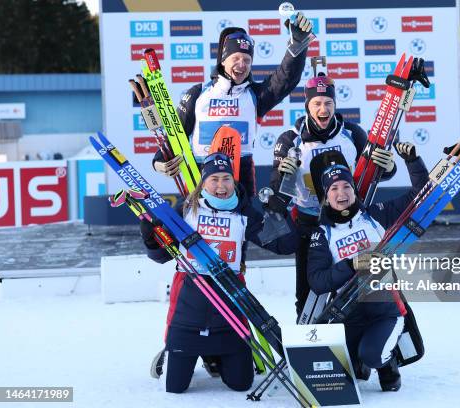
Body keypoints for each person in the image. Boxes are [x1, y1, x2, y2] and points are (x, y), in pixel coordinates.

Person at [140, 153, 299, 393]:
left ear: (234, 181)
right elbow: (162, 256)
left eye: (226, 178)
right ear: (203, 182)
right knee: (175, 387)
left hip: (230, 313)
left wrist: (279, 214)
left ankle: (213, 355)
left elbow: (285, 245)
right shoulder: (186, 210)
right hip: (188, 313)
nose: (221, 186)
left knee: (241, 384)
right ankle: (172, 351)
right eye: (214, 179)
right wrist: (149, 235)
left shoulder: (245, 215)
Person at [269, 72, 397, 317]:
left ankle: (362, 335)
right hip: (309, 223)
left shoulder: (352, 133)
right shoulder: (290, 140)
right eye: (316, 103)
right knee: (309, 293)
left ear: (335, 105)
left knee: (359, 286)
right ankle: (310, 342)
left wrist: (389, 167)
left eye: (328, 103)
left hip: (348, 222)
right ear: (307, 106)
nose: (323, 108)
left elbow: (378, 172)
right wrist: (282, 175)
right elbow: (277, 192)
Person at [306, 145, 429, 392]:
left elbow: (421, 195)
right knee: (345, 371)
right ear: (326, 196)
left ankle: (387, 361)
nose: (341, 193)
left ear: (354, 191)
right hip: (349, 313)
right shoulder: (322, 234)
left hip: (385, 309)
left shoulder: (376, 215)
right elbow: (318, 281)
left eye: (347, 186)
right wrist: (350, 264)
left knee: (373, 356)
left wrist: (412, 161)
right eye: (334, 188)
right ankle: (363, 357)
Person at [153, 15, 313, 198]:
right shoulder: (198, 94)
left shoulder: (256, 95)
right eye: (236, 58)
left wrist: (298, 45)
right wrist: (159, 161)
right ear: (223, 60)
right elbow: (175, 133)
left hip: (240, 184)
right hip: (199, 181)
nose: (241, 65)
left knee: (244, 226)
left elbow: (286, 78)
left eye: (247, 60)